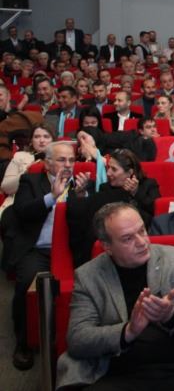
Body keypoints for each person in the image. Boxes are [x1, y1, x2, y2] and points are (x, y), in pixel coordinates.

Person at [55, 202, 174, 390]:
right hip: (114, 370)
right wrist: (128, 331)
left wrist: (170, 314)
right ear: (107, 246)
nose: (142, 242)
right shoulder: (88, 276)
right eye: (128, 239)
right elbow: (78, 339)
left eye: (142, 231)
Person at [6, 141, 92, 370]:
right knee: (26, 283)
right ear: (47, 163)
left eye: (72, 160)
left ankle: (79, 339)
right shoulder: (31, 181)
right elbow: (22, 212)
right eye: (62, 160)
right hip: (38, 248)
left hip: (72, 250)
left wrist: (82, 197)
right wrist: (51, 197)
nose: (68, 165)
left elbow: (89, 224)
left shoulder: (81, 184)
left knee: (90, 284)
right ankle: (23, 342)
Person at [68, 148, 161, 267]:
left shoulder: (148, 185)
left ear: (129, 172)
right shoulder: (105, 188)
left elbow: (154, 210)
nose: (108, 173)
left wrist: (135, 193)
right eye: (108, 168)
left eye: (114, 169)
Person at [0, 124, 54, 217]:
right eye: (37, 137)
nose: (41, 140)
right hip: (17, 202)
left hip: (50, 203)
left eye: (46, 136)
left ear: (53, 140)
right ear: (31, 141)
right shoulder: (20, 156)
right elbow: (6, 188)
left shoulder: (60, 159)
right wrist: (26, 172)